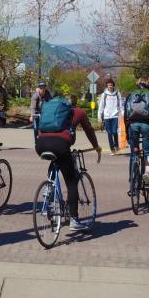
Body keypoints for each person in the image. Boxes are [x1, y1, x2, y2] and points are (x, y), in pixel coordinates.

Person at [35, 94, 102, 231]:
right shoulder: (78, 111)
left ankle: (49, 189)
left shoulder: (52, 111)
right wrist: (96, 147)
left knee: (55, 160)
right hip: (60, 145)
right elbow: (89, 130)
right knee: (71, 182)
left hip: (40, 144)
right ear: (75, 103)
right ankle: (74, 220)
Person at [124, 77, 149, 190]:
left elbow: (125, 115)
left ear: (138, 84)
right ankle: (147, 173)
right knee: (148, 151)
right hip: (147, 125)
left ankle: (132, 181)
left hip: (132, 125)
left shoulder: (130, 96)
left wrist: (127, 134)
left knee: (134, 152)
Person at [97, 79, 123, 155]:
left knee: (114, 132)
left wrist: (122, 113)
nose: (110, 86)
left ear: (113, 85)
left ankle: (116, 146)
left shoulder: (117, 94)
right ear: (107, 85)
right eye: (108, 85)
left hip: (115, 115)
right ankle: (112, 149)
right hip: (107, 116)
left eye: (111, 85)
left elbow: (120, 104)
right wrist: (99, 116)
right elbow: (101, 106)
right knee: (109, 133)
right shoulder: (104, 94)